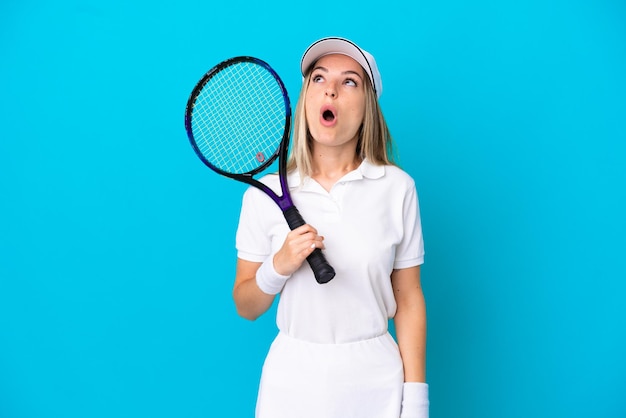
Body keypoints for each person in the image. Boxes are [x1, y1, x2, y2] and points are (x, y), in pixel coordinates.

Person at [233, 36, 429, 418]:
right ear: (306, 97)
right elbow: (245, 305)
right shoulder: (266, 194)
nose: (332, 90)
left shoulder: (397, 188)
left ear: (368, 105)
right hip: (291, 382)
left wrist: (416, 399)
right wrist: (278, 267)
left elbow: (408, 301)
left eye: (349, 81)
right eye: (319, 78)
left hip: (376, 381)